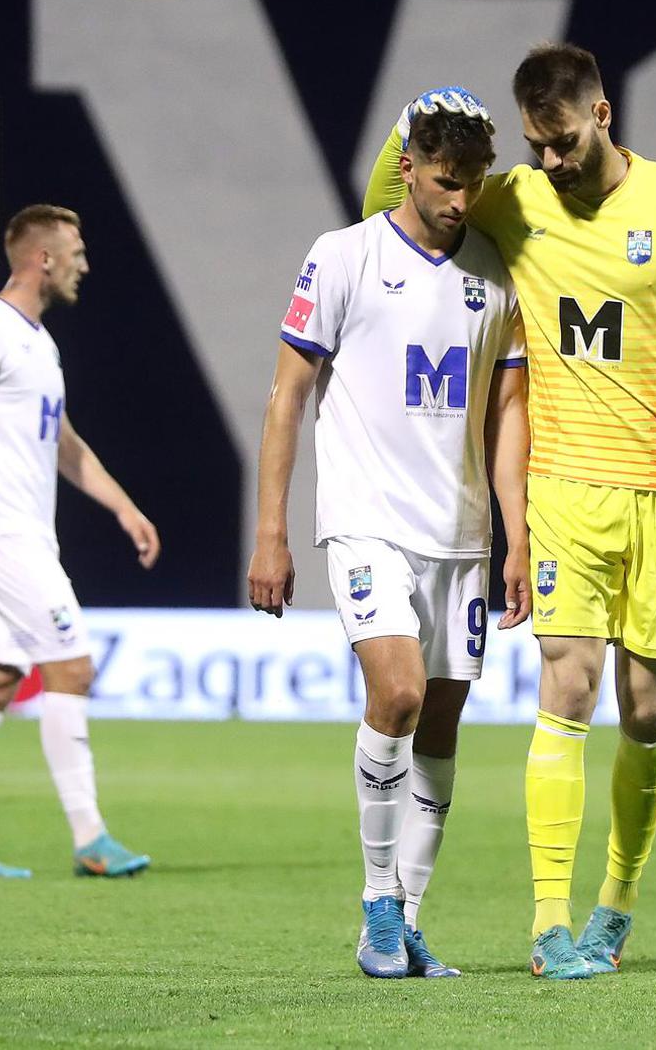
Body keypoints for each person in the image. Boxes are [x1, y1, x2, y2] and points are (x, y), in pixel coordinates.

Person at [362, 55, 656, 978]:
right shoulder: (515, 201)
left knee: (647, 708)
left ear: (601, 114)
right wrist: (408, 124)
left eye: (562, 141)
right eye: (536, 145)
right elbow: (388, 215)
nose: (550, 161)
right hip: (565, 485)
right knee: (567, 687)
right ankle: (548, 926)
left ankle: (617, 905)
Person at [249, 108, 531, 978]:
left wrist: (517, 537)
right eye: (446, 181)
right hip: (368, 522)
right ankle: (377, 898)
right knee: (399, 694)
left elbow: (507, 415)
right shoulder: (343, 256)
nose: (460, 200)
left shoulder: (496, 274)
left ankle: (408, 918)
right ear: (407, 168)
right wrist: (270, 531)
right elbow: (287, 397)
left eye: (472, 184)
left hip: (460, 535)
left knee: (441, 725)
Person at [0, 204, 160, 879]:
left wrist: (123, 507)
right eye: (76, 251)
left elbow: (64, 443)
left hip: (22, 532)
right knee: (72, 668)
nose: (84, 263)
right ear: (43, 258)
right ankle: (91, 838)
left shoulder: (38, 342)